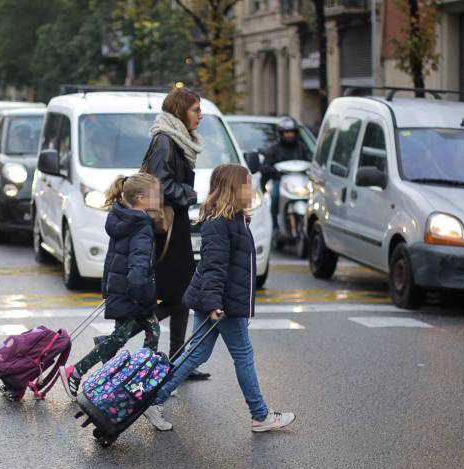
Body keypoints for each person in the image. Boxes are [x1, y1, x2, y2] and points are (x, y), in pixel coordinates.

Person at [141, 164, 297, 433]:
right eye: (247, 185)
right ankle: (259, 414)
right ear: (233, 189)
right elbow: (213, 266)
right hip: (222, 303)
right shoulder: (220, 224)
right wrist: (214, 303)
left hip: (220, 300)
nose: (252, 191)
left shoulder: (233, 219)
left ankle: (155, 399)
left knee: (196, 354)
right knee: (243, 355)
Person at [61, 173, 163, 397]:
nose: (159, 199)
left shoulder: (123, 219)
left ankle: (140, 378)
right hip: (132, 293)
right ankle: (77, 371)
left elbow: (114, 259)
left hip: (121, 288)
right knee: (124, 336)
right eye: (156, 195)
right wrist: (143, 296)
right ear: (140, 198)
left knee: (152, 331)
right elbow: (138, 265)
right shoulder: (140, 226)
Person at [134, 86, 211, 380]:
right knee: (178, 295)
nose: (200, 115)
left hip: (174, 223)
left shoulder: (178, 139)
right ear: (181, 111)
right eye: (196, 109)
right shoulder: (165, 140)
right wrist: (188, 195)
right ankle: (125, 335)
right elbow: (158, 184)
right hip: (164, 226)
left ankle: (177, 361)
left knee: (181, 293)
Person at [261, 118, 312, 228]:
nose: (289, 135)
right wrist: (274, 171)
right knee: (274, 197)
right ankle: (274, 226)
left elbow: (311, 161)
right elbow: (265, 166)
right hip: (280, 181)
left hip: (300, 183)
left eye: (291, 132)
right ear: (281, 134)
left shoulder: (302, 147)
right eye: (286, 132)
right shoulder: (274, 149)